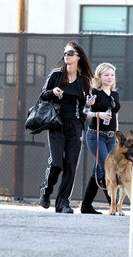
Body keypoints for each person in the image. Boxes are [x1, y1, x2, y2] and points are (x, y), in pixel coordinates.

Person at [39, 41, 94, 214]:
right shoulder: (56, 75)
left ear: (78, 57)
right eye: (65, 53)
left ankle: (63, 203)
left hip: (76, 126)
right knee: (57, 164)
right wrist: (52, 92)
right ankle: (46, 190)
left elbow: (86, 109)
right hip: (56, 124)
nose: (67, 56)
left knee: (70, 165)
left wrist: (89, 103)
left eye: (70, 53)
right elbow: (42, 96)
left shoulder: (84, 81)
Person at [81, 62, 121, 214]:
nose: (110, 77)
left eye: (112, 74)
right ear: (99, 76)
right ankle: (114, 205)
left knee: (97, 171)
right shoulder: (94, 93)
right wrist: (98, 114)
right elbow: (84, 113)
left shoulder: (115, 95)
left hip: (111, 138)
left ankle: (85, 206)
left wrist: (117, 134)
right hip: (96, 136)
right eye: (106, 75)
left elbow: (116, 116)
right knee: (107, 167)